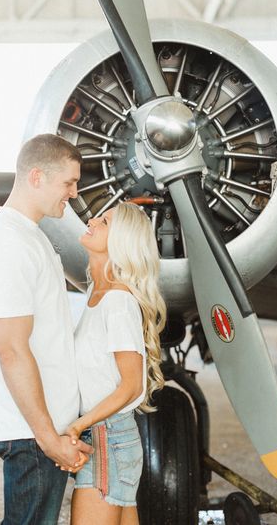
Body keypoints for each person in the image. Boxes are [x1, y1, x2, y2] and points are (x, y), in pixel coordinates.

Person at [0, 133, 93, 525]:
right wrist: (49, 439)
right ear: (37, 176)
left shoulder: (27, 235)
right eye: (68, 183)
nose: (74, 194)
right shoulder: (8, 244)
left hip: (41, 427)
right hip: (31, 432)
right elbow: (10, 349)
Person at [64, 202, 167, 525]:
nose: (91, 220)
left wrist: (80, 425)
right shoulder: (98, 291)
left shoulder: (118, 301)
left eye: (105, 221)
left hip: (107, 440)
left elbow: (131, 385)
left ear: (121, 241)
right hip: (110, 440)